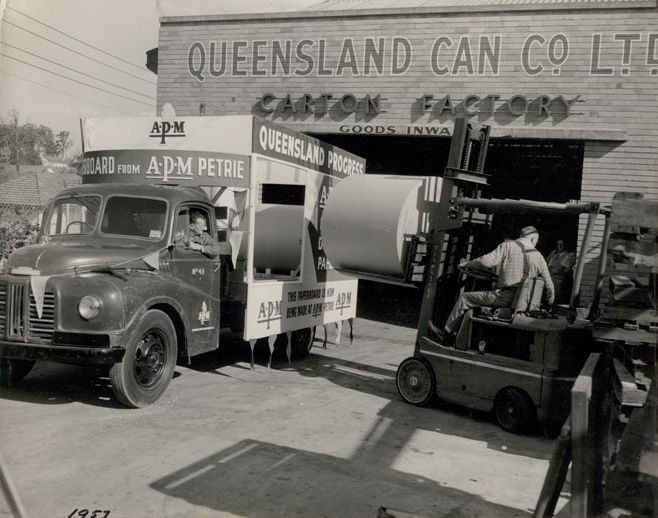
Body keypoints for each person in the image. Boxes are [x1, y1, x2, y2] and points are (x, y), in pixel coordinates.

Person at [429, 225, 555, 342]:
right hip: (523, 304)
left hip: (503, 298)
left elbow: (486, 262)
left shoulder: (507, 246)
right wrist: (547, 305)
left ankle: (446, 334)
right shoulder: (539, 257)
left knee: (465, 298)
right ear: (533, 238)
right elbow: (550, 288)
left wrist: (467, 264)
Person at [546, 239, 576, 304]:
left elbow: (560, 270)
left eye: (561, 244)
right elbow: (545, 265)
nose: (559, 246)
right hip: (549, 277)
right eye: (558, 244)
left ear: (565, 246)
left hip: (558, 279)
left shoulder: (568, 255)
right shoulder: (553, 254)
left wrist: (551, 269)